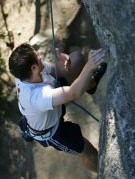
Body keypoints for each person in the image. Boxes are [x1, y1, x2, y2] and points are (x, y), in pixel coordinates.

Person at [8, 43, 107, 172]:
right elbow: (73, 93)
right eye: (37, 56)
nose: (39, 56)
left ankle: (91, 84)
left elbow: (57, 71)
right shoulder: (38, 96)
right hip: (52, 131)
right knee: (86, 150)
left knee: (76, 59)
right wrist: (89, 66)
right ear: (33, 68)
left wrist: (64, 60)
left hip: (49, 105)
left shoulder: (25, 73)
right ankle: (104, 173)